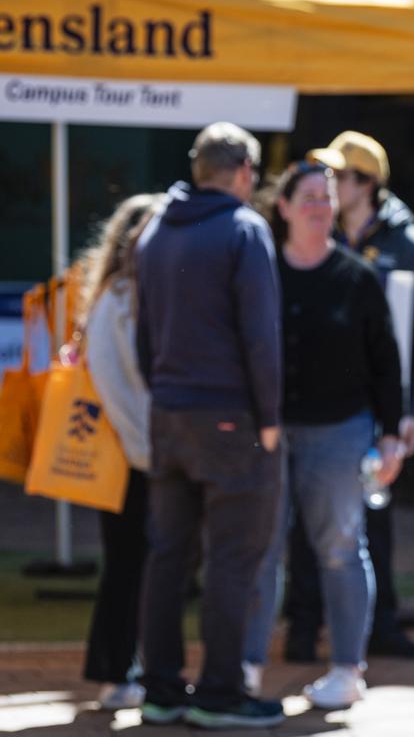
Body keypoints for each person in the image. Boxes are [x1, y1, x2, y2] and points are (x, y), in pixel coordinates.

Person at [134, 122, 285, 729]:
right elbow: (261, 336)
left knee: (167, 556)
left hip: (168, 413)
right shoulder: (245, 229)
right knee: (231, 558)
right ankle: (220, 693)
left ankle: (162, 690)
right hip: (229, 417)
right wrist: (270, 420)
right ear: (245, 170)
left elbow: (143, 333)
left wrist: (163, 392)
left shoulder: (154, 229)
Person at [243, 160, 404, 709]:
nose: (318, 205)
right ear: (283, 206)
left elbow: (387, 363)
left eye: (325, 196)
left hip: (340, 431)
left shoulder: (357, 277)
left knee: (340, 548)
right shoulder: (260, 272)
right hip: (267, 433)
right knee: (259, 550)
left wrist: (390, 437)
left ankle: (346, 671)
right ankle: (245, 668)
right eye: (307, 196)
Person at [287, 130, 414, 659]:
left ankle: (381, 626)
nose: (329, 185)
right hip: (324, 404)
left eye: (340, 176)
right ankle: (303, 627)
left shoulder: (409, 244)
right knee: (305, 520)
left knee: (372, 518)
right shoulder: (316, 239)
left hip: (378, 408)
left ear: (366, 183)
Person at [77, 193, 161, 711]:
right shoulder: (122, 298)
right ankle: (115, 672)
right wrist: (149, 452)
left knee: (130, 566)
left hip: (129, 455)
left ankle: (120, 670)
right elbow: (118, 385)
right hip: (131, 458)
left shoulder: (120, 293)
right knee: (129, 567)